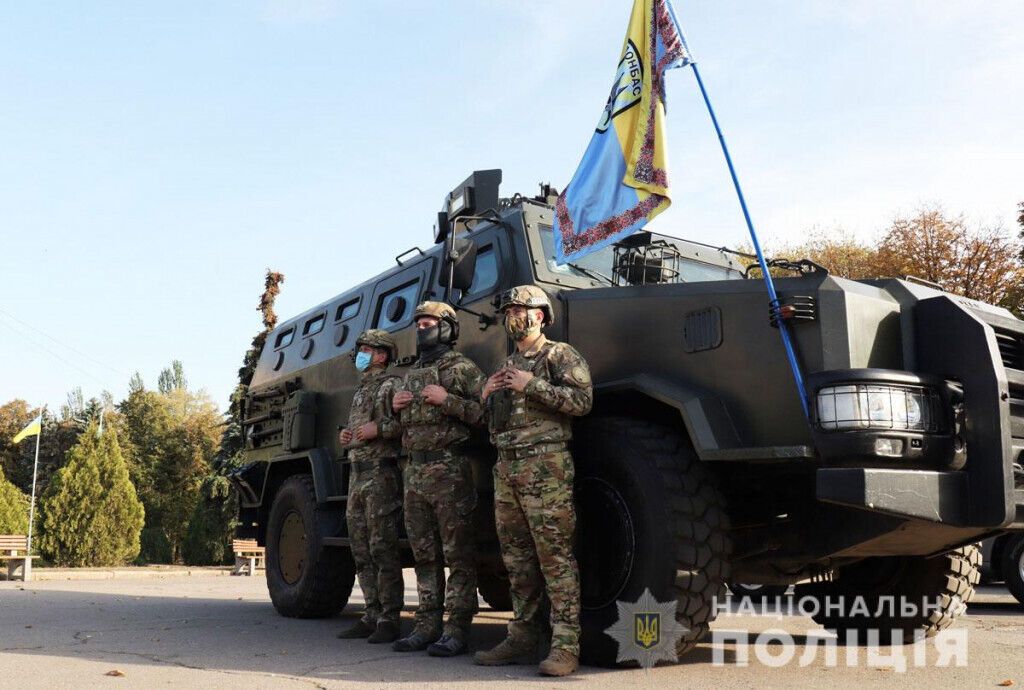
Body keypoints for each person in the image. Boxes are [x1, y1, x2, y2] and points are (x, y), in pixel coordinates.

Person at [473, 285, 593, 677]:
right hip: (506, 470)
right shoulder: (504, 365)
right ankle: (522, 637)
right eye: (508, 311)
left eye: (518, 310)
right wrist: (485, 396)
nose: (511, 317)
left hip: (546, 468)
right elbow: (491, 422)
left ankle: (565, 645)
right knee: (517, 561)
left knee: (555, 558)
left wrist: (532, 384)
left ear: (539, 315)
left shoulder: (559, 355)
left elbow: (582, 402)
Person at [391, 301, 486, 657]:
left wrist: (448, 400)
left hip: (449, 471)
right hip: (414, 472)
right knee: (424, 554)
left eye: (428, 323)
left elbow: (488, 414)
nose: (421, 329)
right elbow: (404, 427)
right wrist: (396, 409)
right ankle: (426, 626)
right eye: (418, 324)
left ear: (446, 328)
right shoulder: (411, 374)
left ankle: (457, 629)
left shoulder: (462, 369)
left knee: (458, 554)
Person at [336, 329, 405, 644]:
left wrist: (379, 429)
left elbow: (407, 423)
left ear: (381, 355)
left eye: (366, 350)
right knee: (361, 549)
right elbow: (356, 431)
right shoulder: (361, 389)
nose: (360, 355)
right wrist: (346, 437)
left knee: (382, 548)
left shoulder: (392, 385)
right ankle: (371, 614)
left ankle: (389, 619)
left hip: (380, 475)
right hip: (357, 475)